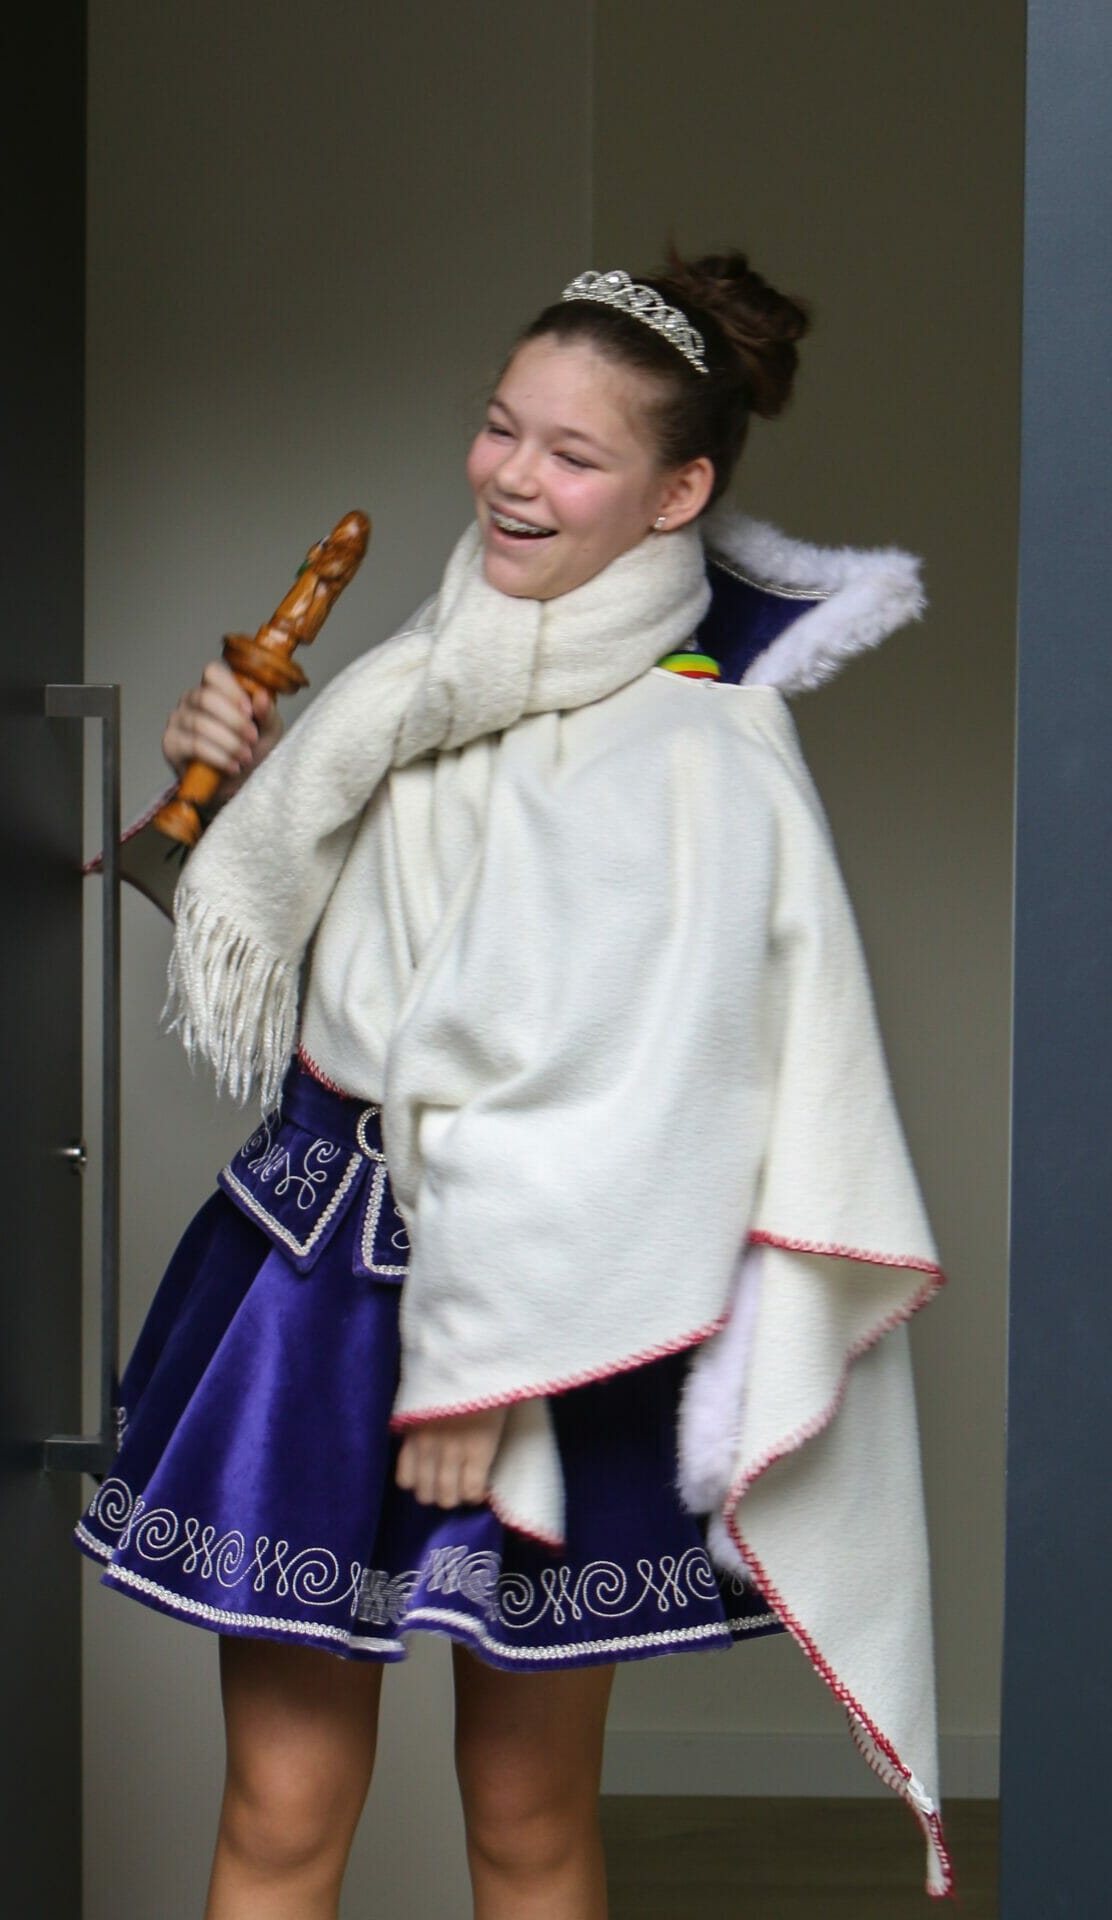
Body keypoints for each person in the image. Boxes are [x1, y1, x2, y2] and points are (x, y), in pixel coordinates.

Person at [77, 253, 951, 1916]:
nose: (512, 477)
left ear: (679, 492)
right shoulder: (434, 667)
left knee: (528, 1824)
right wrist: (249, 793)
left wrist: (487, 1361)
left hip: (546, 1327)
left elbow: (647, 1105)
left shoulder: (704, 750)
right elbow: (379, 986)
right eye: (500, 426)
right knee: (277, 1813)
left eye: (573, 453)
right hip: (315, 1279)